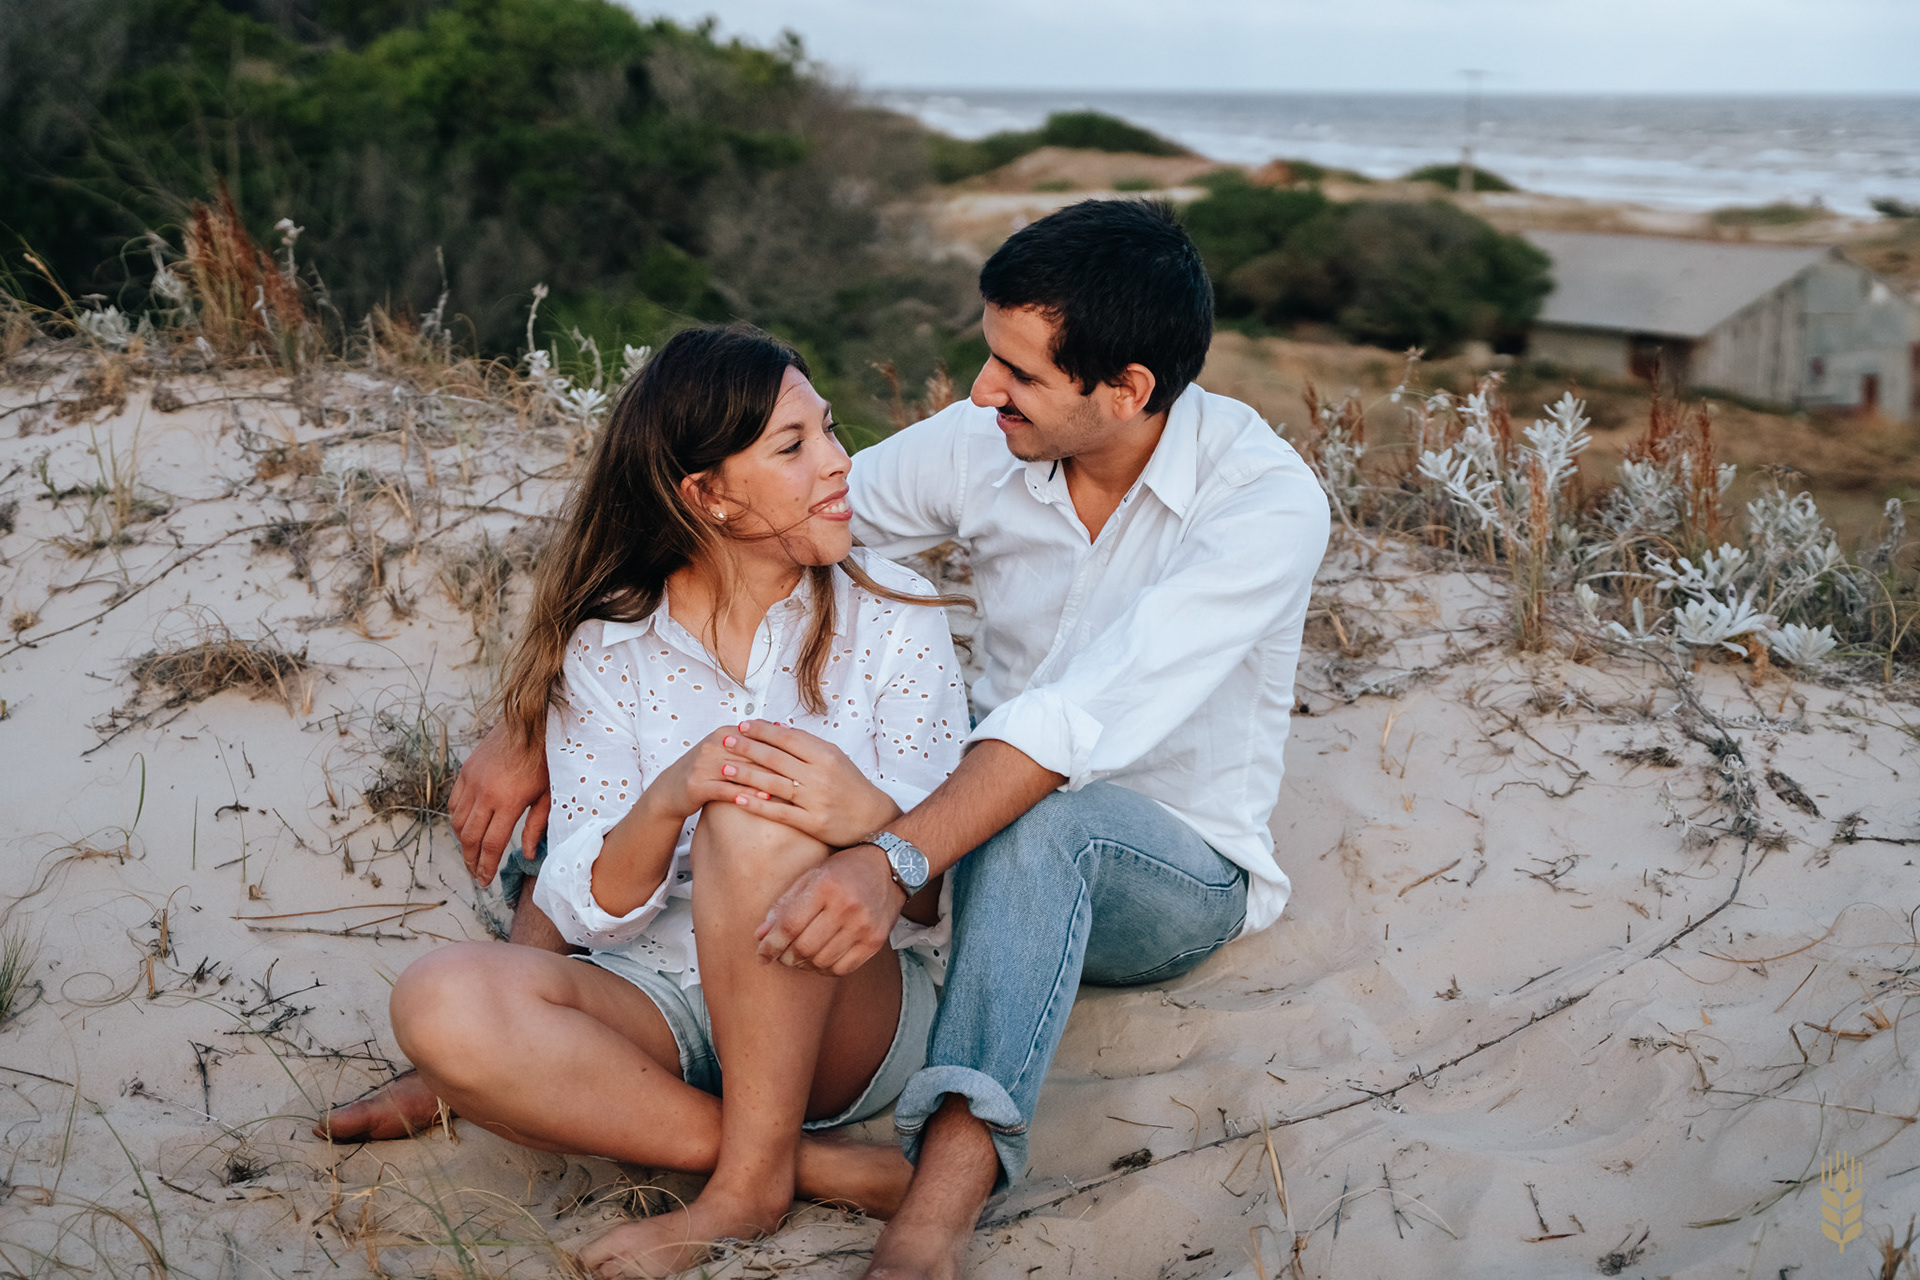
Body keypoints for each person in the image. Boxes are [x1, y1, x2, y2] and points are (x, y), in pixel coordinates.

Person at [328, 199, 1330, 1280]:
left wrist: (887, 849)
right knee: (517, 941)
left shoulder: (1263, 505)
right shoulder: (988, 443)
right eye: (989, 356)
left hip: (1164, 859)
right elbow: (740, 511)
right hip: (926, 825)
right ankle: (779, 1155)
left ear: (1127, 389)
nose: (981, 390)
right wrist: (533, 713)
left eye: (1018, 372)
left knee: (1033, 818)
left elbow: (1066, 726)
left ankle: (939, 1202)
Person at [371, 324, 972, 1277]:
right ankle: (799, 1164)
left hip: (842, 1009)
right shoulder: (611, 647)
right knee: (440, 1001)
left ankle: (744, 1191)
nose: (837, 461)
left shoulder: (893, 613)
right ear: (708, 496)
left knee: (755, 811)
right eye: (794, 445)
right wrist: (663, 801)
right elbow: (582, 907)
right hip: (663, 1002)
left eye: (828, 429)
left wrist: (862, 815)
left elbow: (939, 894)